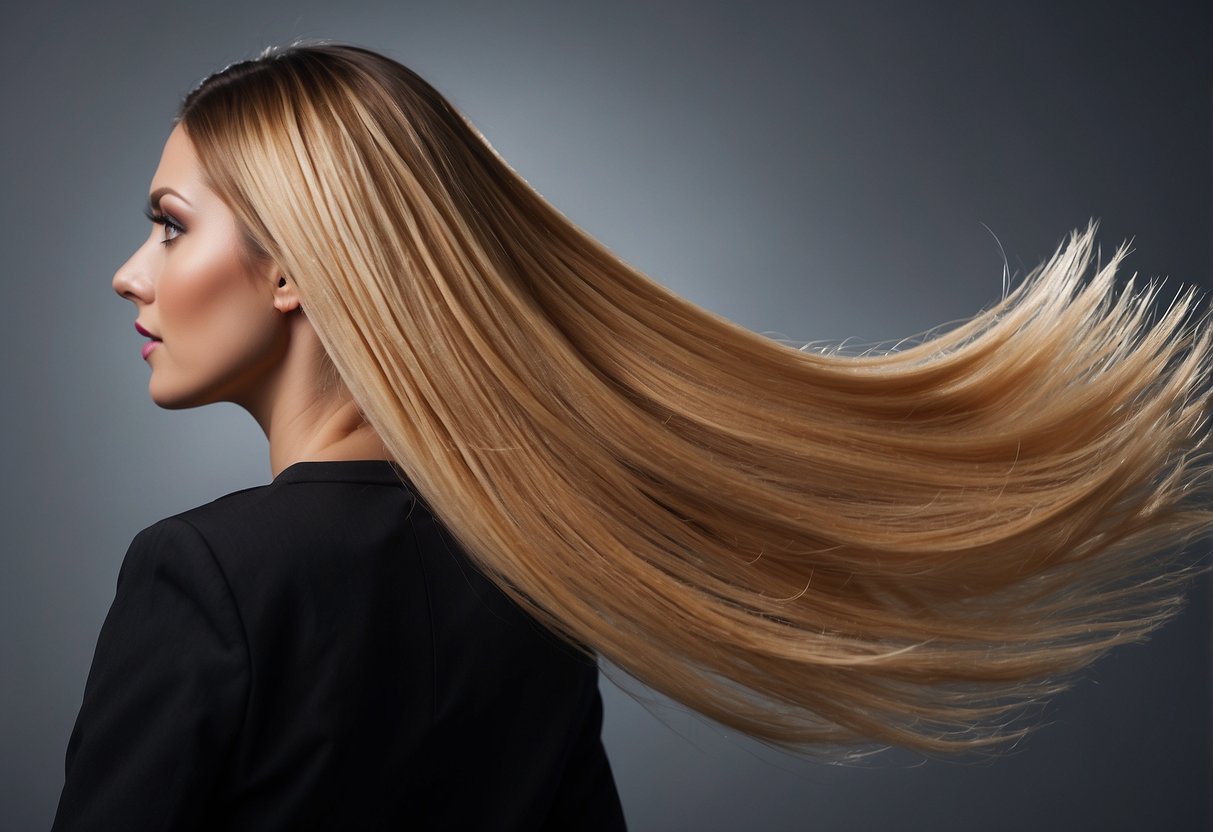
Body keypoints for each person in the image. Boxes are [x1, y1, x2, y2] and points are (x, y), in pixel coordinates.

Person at [54, 38, 1213, 828]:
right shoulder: (526, 567)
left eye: (168, 227)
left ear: (297, 262)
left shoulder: (200, 576)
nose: (127, 274)